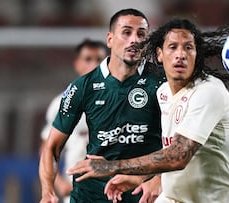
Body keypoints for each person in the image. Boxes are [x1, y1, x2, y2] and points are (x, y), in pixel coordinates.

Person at [69, 18, 229, 203]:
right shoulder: (163, 92)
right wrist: (144, 178)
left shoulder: (208, 92)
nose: (180, 54)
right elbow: (169, 150)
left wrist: (112, 166)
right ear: (159, 54)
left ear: (197, 55)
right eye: (173, 47)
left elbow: (177, 156)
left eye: (188, 48)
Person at [39, 8, 163, 203]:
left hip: (144, 193)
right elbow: (51, 147)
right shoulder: (82, 87)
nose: (135, 40)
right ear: (110, 39)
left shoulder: (161, 83)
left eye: (141, 34)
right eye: (126, 32)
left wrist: (159, 178)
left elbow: (182, 146)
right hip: (92, 194)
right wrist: (48, 192)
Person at [39, 39, 108, 203]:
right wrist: (57, 184)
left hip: (113, 189)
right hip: (77, 191)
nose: (94, 64)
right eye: (88, 59)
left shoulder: (121, 98)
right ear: (77, 64)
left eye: (99, 59)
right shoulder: (63, 102)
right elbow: (48, 147)